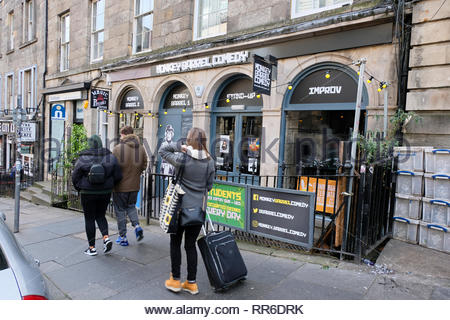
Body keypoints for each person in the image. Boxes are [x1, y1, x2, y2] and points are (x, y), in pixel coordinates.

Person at [158, 127, 215, 295]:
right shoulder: (210, 161)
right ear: (204, 141)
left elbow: (162, 149)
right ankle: (192, 283)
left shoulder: (183, 158)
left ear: (189, 140)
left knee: (175, 243)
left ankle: (175, 280)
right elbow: (209, 186)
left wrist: (179, 147)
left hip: (179, 209)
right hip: (197, 211)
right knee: (190, 245)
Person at [72, 135, 122, 256]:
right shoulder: (111, 157)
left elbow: (75, 177)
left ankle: (92, 248)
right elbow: (118, 176)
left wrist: (80, 188)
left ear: (89, 144)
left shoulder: (83, 158)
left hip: (87, 193)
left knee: (89, 219)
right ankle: (106, 238)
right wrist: (109, 185)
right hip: (105, 192)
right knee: (100, 216)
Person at [112, 126, 148, 246]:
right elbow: (144, 166)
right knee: (131, 207)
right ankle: (137, 226)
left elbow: (112, 167)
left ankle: (122, 237)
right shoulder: (141, 148)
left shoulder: (118, 149)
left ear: (123, 134)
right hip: (135, 185)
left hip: (120, 187)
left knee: (120, 211)